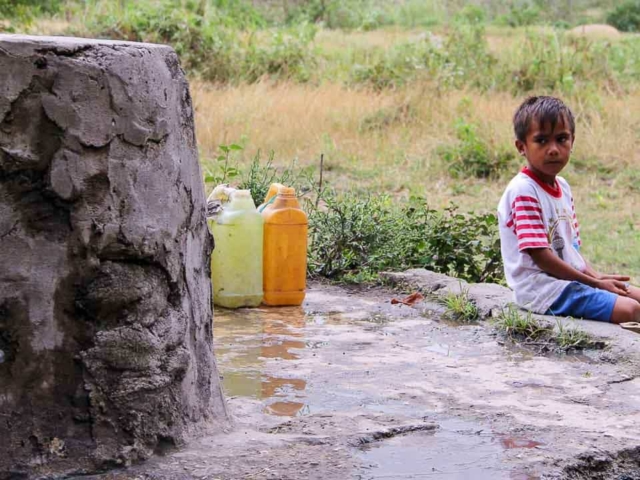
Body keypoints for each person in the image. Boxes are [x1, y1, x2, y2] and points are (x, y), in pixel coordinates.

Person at [497, 96, 640, 324]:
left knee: (637, 297)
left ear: (572, 141)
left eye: (561, 139)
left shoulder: (562, 186)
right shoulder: (524, 190)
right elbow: (541, 257)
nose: (553, 149)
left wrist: (596, 276)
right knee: (630, 309)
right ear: (521, 146)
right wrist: (594, 284)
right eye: (541, 140)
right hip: (541, 290)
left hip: (567, 282)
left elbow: (571, 249)